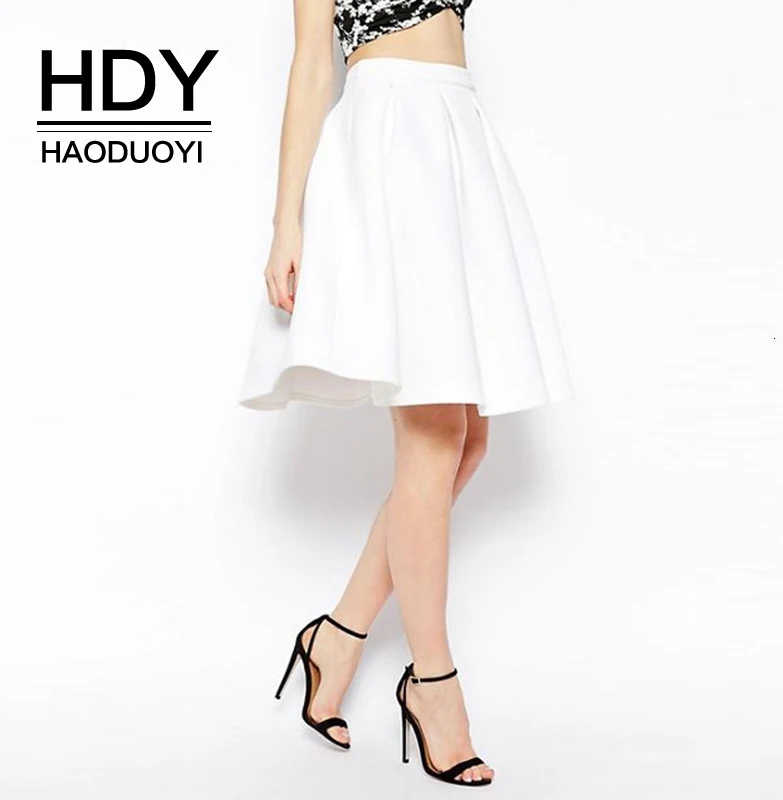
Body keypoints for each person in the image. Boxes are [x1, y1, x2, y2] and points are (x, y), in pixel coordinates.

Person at [239, 0, 573, 787]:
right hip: (391, 140)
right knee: (433, 439)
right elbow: (312, 61)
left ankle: (336, 637)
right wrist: (287, 223)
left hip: (458, 137)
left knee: (469, 442)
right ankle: (433, 685)